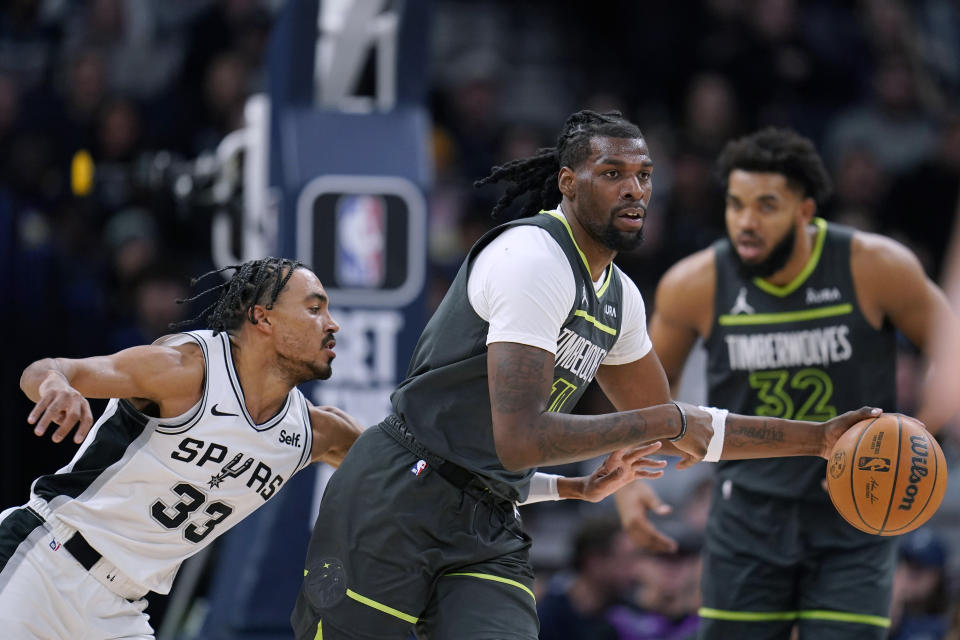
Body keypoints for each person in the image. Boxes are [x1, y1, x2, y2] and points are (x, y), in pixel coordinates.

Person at [290, 110, 881, 640]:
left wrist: (821, 441)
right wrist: (664, 420)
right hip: (397, 499)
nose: (634, 189)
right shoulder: (533, 258)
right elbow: (521, 440)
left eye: (645, 175)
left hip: (490, 517)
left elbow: (679, 431)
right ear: (569, 183)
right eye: (612, 172)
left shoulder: (620, 297)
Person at [0, 255, 669, 639]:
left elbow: (439, 477)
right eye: (315, 307)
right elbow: (48, 367)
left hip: (121, 610)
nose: (333, 322)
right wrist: (57, 386)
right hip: (44, 561)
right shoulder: (188, 369)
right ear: (263, 319)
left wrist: (573, 489)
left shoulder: (310, 431)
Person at [646, 128, 960, 639]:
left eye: (766, 205)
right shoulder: (694, 282)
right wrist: (630, 487)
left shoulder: (875, 266)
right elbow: (645, 400)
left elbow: (951, 355)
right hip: (747, 513)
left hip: (857, 513)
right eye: (735, 204)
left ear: (805, 211)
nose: (746, 222)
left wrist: (918, 431)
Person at [537, 516, 641, 640]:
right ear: (594, 562)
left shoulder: (631, 615)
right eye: (626, 561)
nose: (635, 571)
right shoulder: (545, 618)